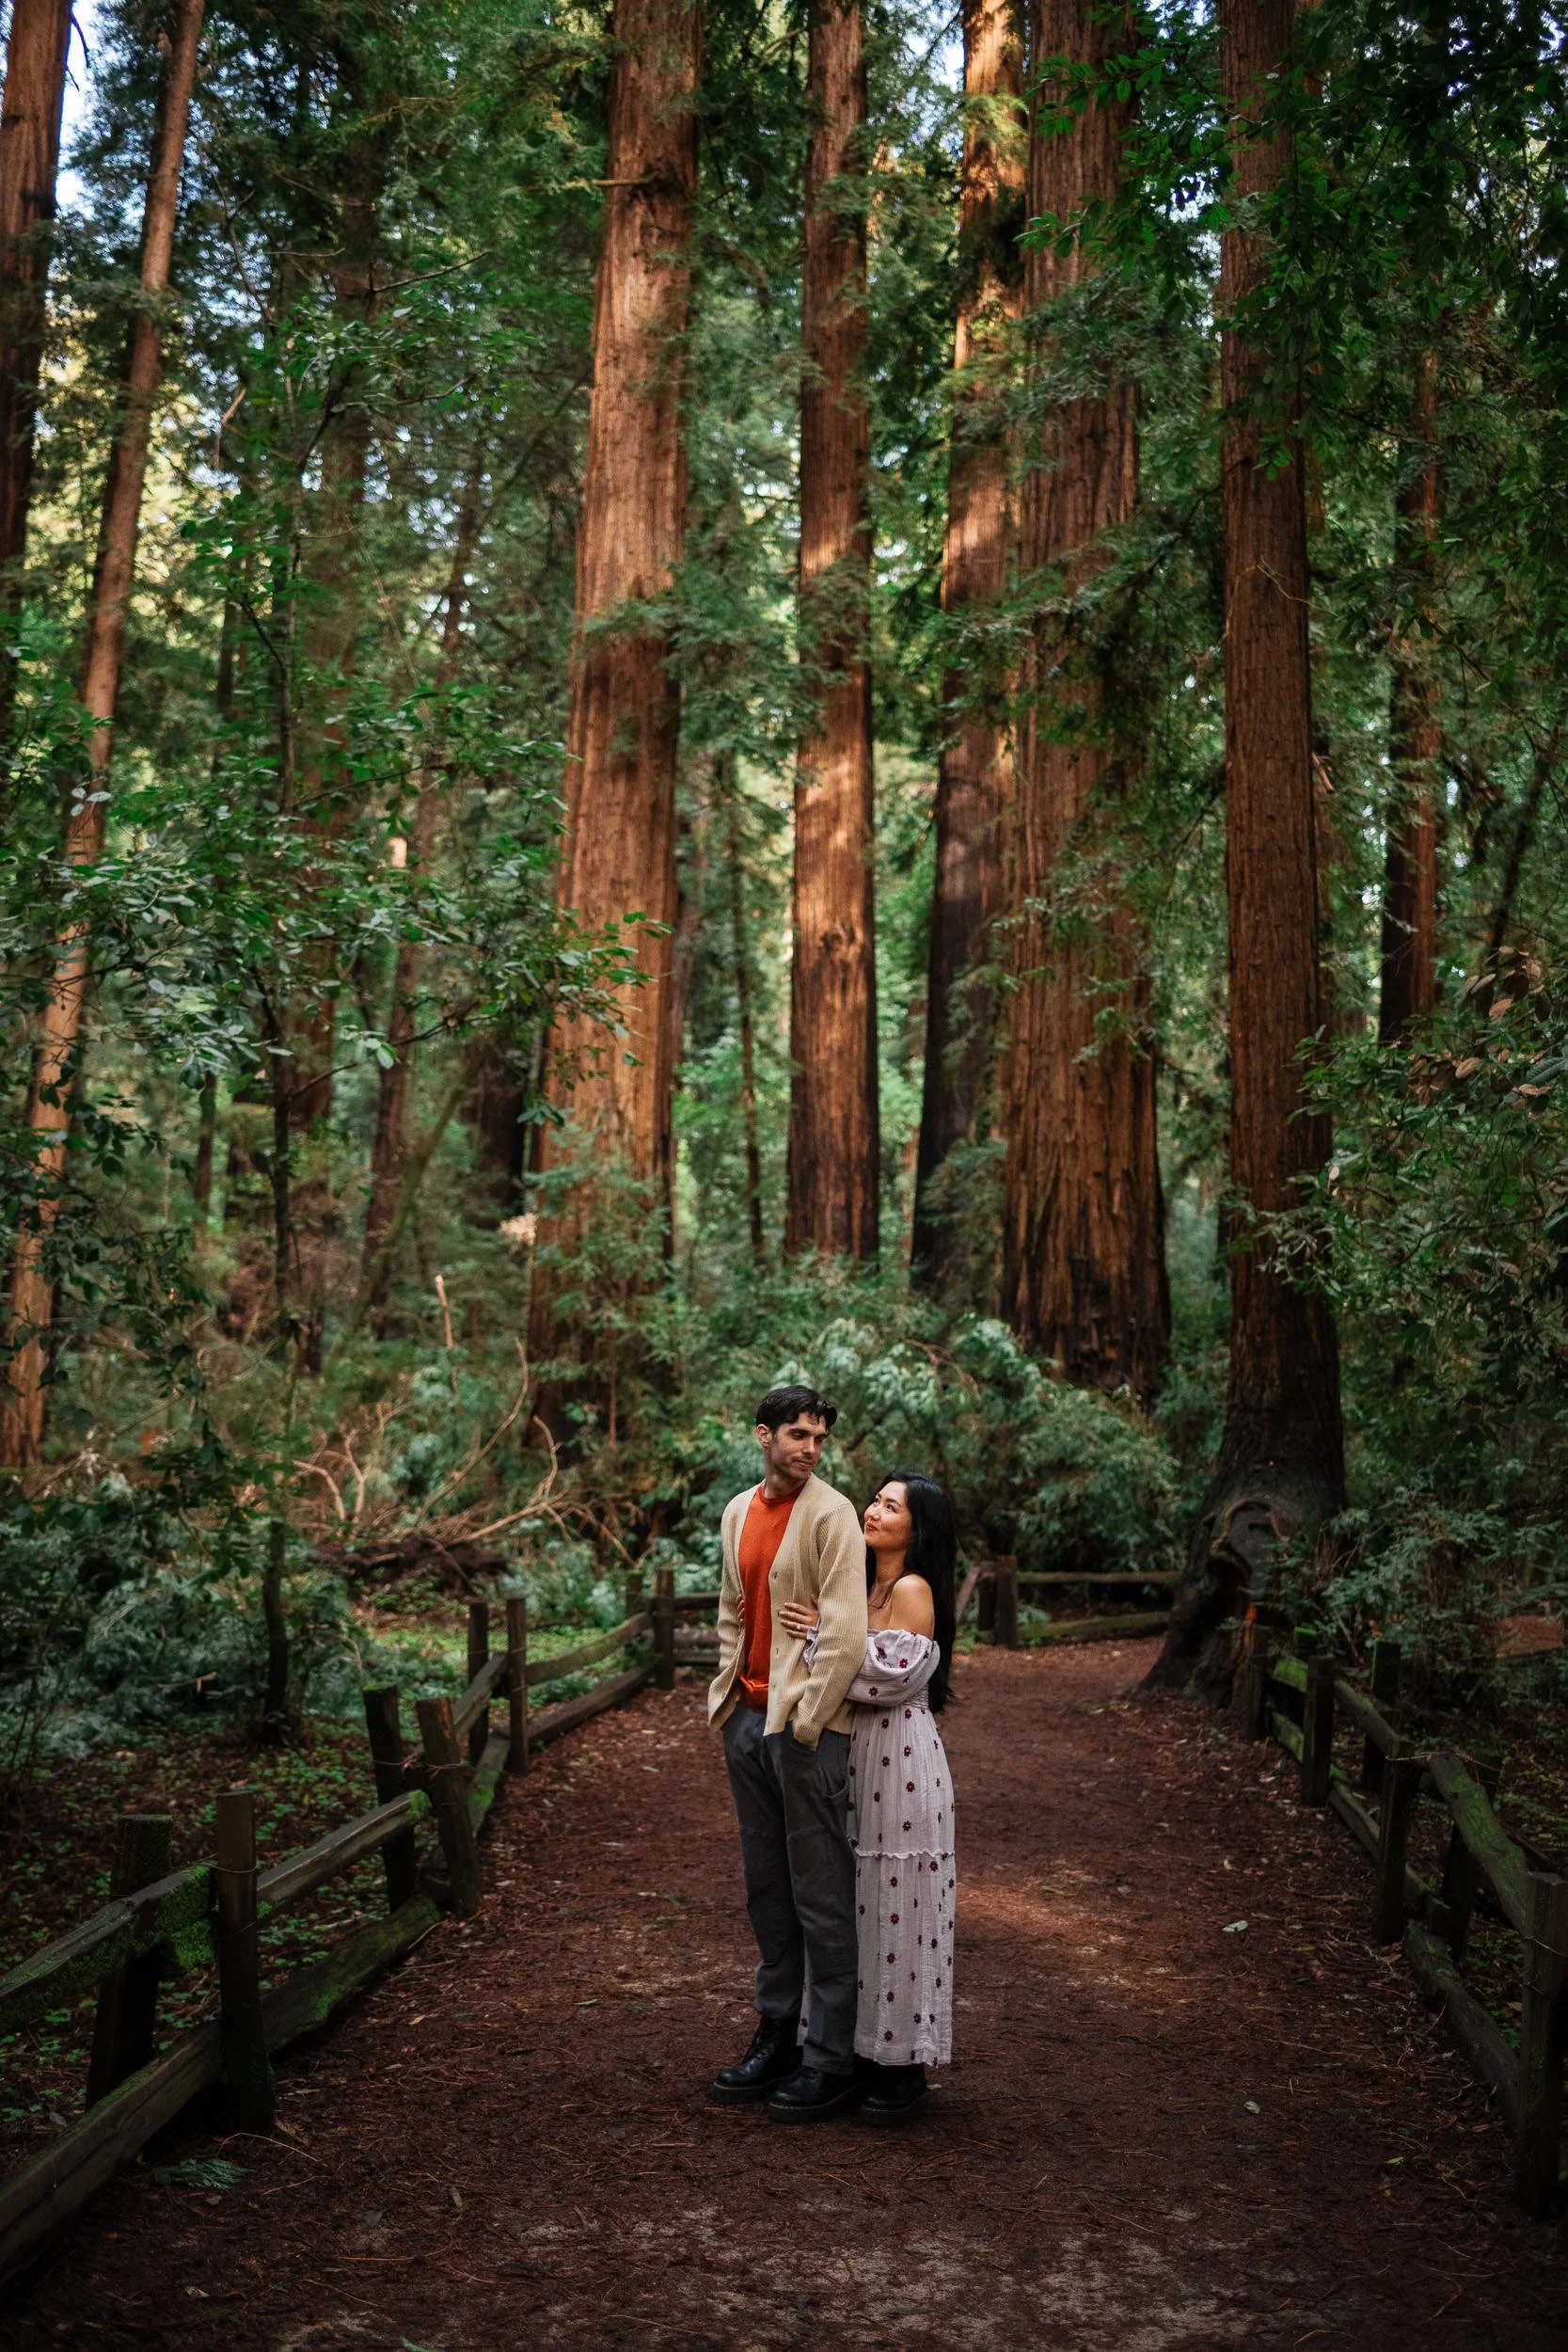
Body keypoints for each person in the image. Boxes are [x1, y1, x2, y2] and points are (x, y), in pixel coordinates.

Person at [707, 1384, 869, 2122]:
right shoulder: (738, 1511)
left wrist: (805, 1720)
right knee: (767, 1889)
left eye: (819, 1438)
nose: (809, 1449)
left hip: (804, 1731)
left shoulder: (833, 1515)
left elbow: (845, 1634)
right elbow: (730, 1611)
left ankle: (830, 2057)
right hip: (745, 1720)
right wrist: (727, 1697)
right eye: (797, 1435)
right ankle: (775, 2033)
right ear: (762, 1435)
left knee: (820, 1893)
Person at [779, 1471, 957, 2124]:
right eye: (876, 1499)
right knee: (849, 1906)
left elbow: (885, 1679)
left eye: (891, 1506)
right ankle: (848, 2051)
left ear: (918, 1527)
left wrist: (816, 1637)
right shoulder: (855, 1583)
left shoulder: (911, 1588)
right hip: (849, 1754)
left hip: (900, 1761)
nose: (874, 1510)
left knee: (897, 1907)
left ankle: (901, 2064)